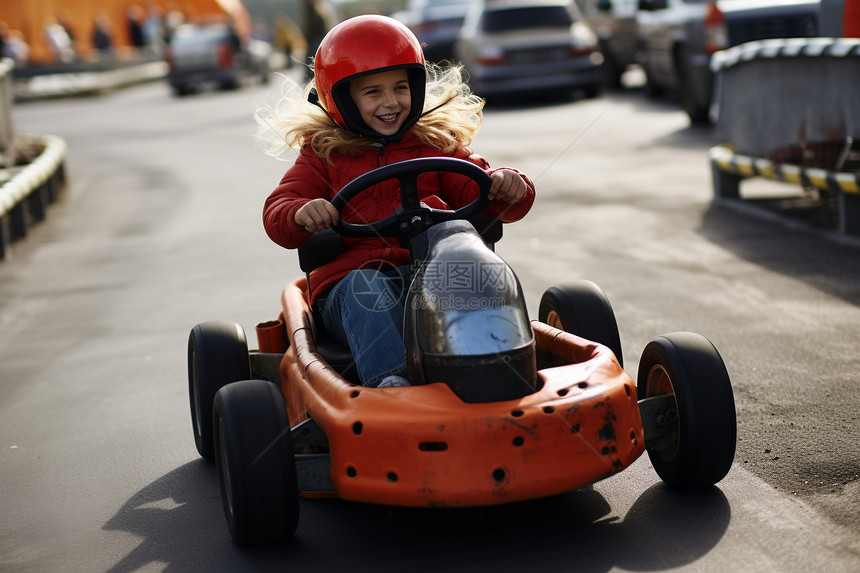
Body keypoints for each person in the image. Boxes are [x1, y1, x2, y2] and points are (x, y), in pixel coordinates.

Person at [259, 15, 535, 388]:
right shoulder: (321, 155)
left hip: (433, 274)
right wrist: (300, 213)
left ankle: (500, 369)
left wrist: (506, 186)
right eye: (373, 92)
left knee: (471, 264)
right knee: (368, 292)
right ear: (341, 98)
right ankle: (391, 385)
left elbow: (481, 189)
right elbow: (279, 208)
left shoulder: (436, 144)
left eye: (400, 87)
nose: (390, 102)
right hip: (352, 285)